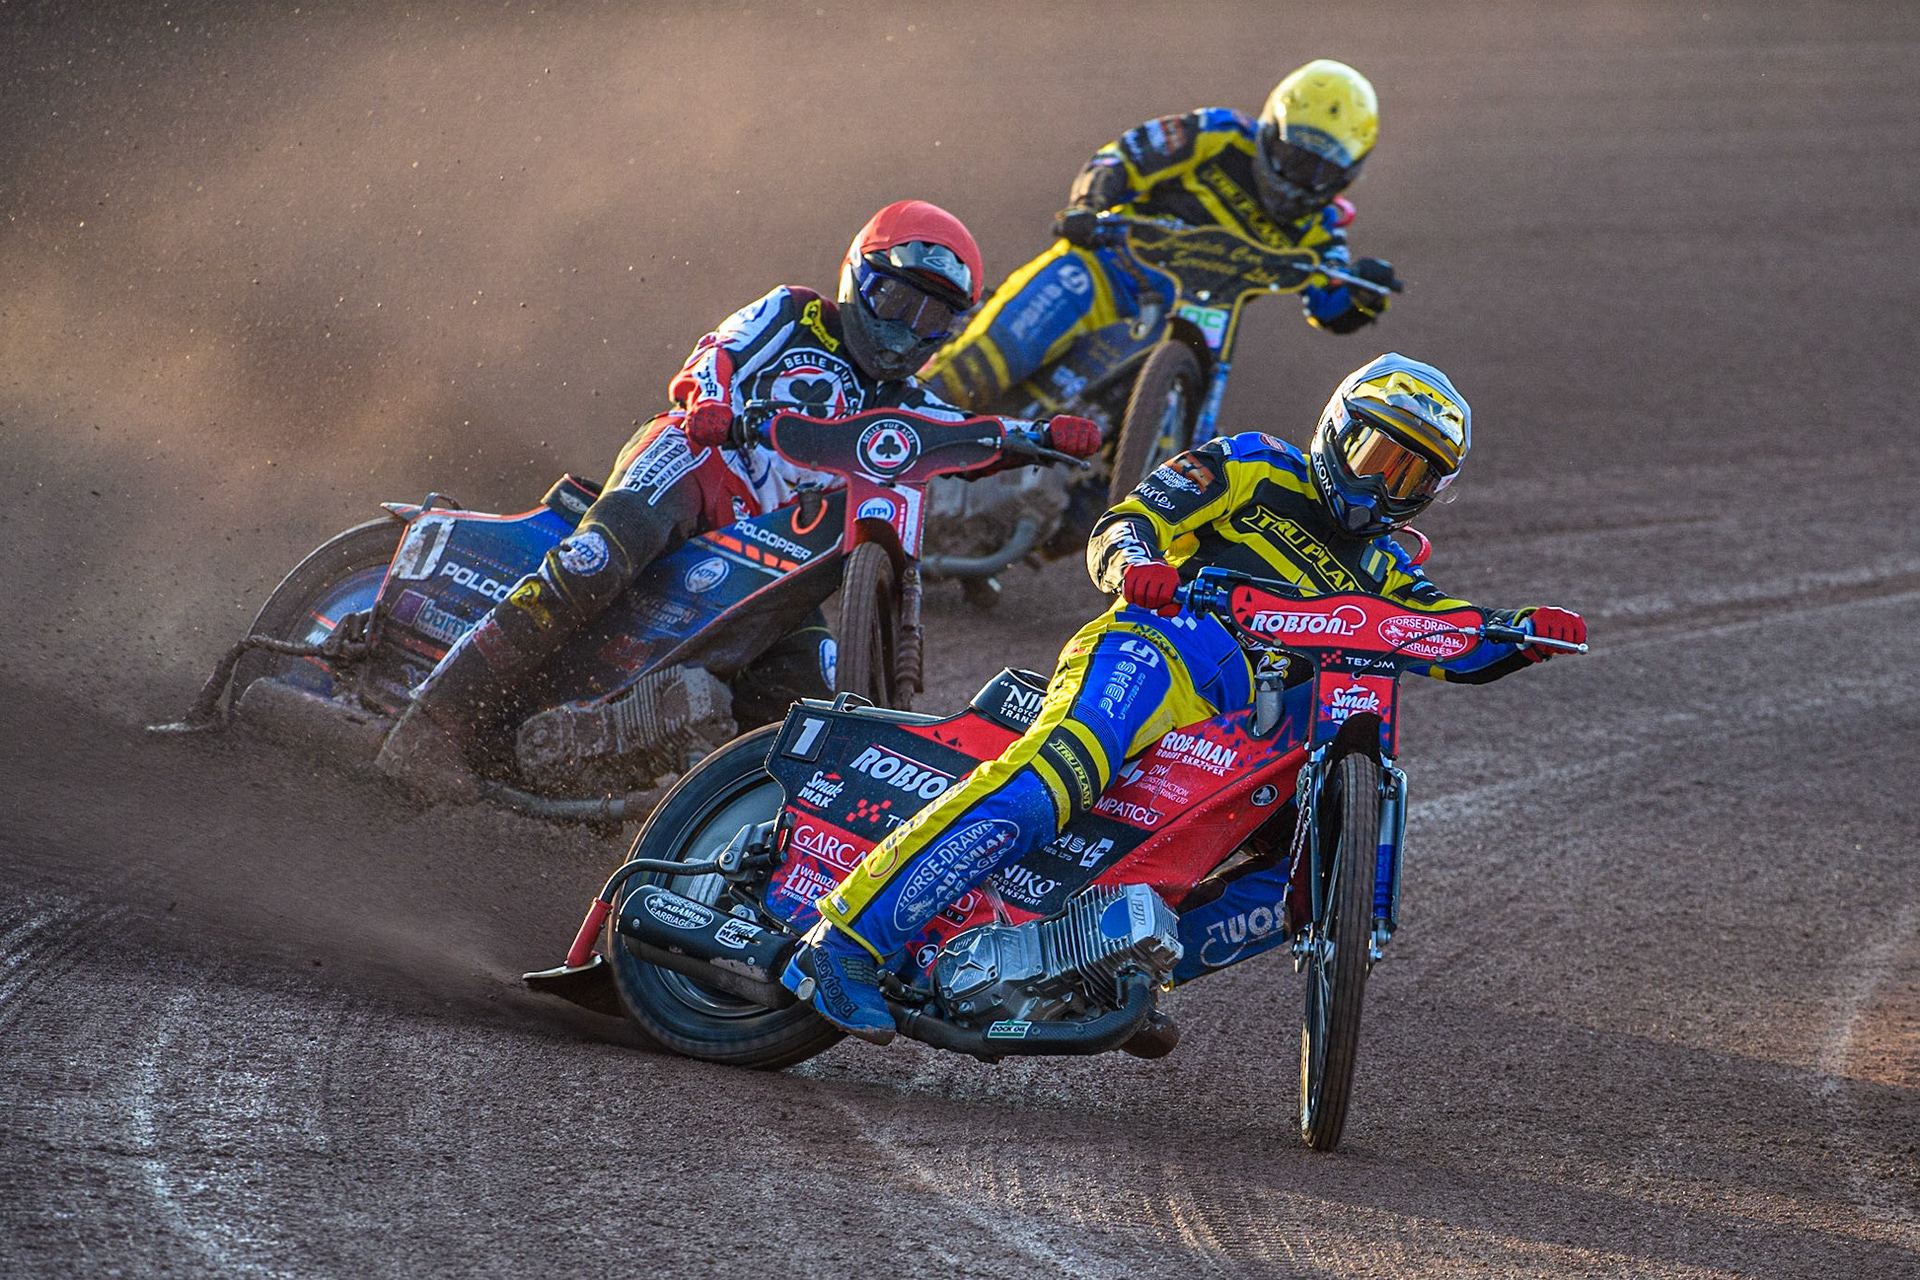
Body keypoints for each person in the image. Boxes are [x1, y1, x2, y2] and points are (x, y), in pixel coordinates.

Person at [782, 353, 1587, 1042]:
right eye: (1380, 454)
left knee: (1301, 875)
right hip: (1156, 650)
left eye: (1414, 476)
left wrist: (1520, 633)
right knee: (1060, 775)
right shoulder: (1253, 462)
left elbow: (1456, 638)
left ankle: (1097, 969)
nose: (1386, 486)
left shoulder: (1390, 575)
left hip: (1245, 728)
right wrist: (1137, 563)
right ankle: (845, 939)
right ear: (1339, 431)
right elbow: (1127, 522)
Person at [376, 200, 1103, 801]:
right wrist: (712, 403)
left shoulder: (911, 405)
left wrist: (1043, 436)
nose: (908, 330)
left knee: (812, 700)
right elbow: (716, 353)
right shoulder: (792, 315)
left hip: (772, 554)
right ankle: (429, 725)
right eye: (895, 300)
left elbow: (969, 438)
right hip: (698, 466)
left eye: (934, 319)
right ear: (858, 277)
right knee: (597, 560)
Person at [920, 59, 1402, 412]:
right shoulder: (1217, 133)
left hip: (1198, 323)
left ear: (1349, 173)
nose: (1301, 180)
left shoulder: (1322, 227)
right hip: (1105, 274)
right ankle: (902, 428)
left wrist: (1362, 294)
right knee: (979, 367)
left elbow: (1327, 303)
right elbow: (1121, 157)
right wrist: (1090, 206)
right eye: (1296, 157)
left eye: (1321, 171)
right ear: (1271, 130)